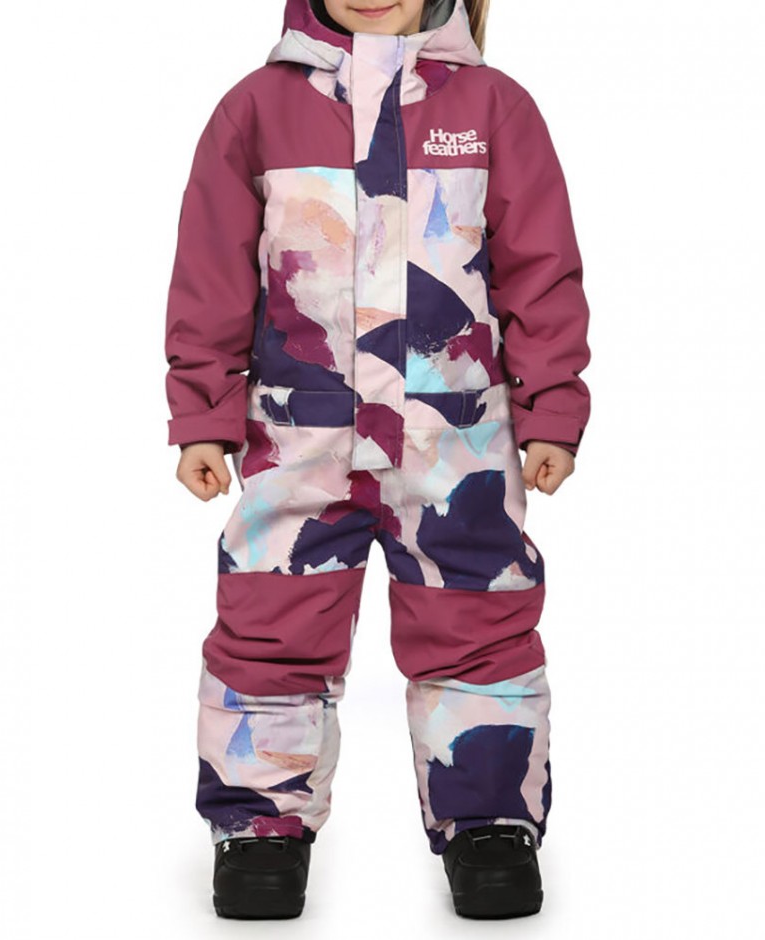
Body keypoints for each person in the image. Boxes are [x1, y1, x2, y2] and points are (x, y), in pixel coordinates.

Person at [163, 0, 591, 921]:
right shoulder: (256, 110)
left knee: (478, 623)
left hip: (457, 442)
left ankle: (489, 823)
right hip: (298, 441)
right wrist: (202, 414)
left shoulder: (494, 109)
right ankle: (260, 825)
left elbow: (541, 270)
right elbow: (211, 273)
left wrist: (551, 410)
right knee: (271, 623)